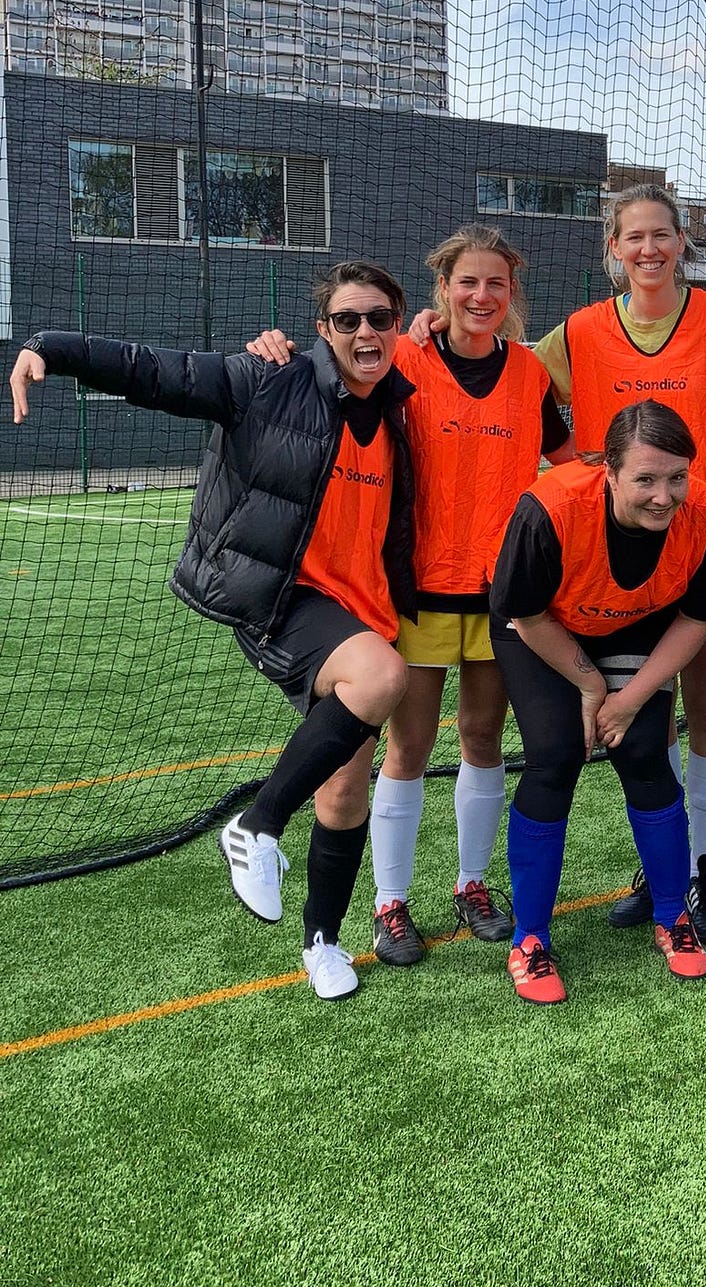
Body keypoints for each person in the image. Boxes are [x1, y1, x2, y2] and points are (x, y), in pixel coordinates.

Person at [9, 263, 417, 1002]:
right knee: (384, 677)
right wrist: (49, 346)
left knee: (347, 786)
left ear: (399, 323)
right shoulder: (268, 377)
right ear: (323, 329)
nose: (366, 332)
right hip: (282, 596)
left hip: (365, 608)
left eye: (380, 318)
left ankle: (322, 942)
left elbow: (465, 330)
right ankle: (256, 825)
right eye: (349, 319)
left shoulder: (398, 403)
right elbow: (153, 373)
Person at [248, 225, 574, 968]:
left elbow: (566, 462)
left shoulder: (528, 373)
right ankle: (388, 904)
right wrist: (272, 348)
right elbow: (332, 363)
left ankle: (471, 884)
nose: (482, 295)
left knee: (483, 737)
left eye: (496, 283)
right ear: (443, 289)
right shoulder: (405, 357)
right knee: (410, 743)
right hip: (417, 590)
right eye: (468, 282)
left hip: (498, 593)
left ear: (511, 292)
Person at [527, 183, 706, 941]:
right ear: (613, 248)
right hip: (617, 558)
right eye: (633, 237)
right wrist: (428, 332)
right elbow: (511, 381)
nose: (648, 249)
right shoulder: (578, 333)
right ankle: (661, 865)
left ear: (682, 242)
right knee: (650, 721)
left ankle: (705, 872)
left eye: (661, 235)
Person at [489, 402, 706, 1004]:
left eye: (677, 476)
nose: (664, 495)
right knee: (554, 754)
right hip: (542, 627)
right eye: (645, 479)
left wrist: (630, 700)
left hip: (638, 628)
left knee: (648, 752)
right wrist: (592, 686)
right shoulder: (549, 507)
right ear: (608, 471)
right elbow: (524, 613)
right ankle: (529, 939)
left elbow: (698, 618)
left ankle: (674, 916)